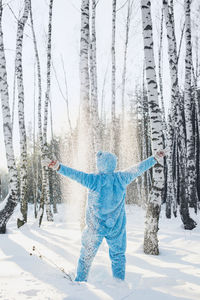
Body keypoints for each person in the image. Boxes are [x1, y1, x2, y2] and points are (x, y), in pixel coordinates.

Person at [44, 149, 165, 282]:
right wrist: (154, 158)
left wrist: (58, 167)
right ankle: (119, 284)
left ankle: (80, 283)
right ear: (113, 163)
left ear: (99, 164)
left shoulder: (93, 180)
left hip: (95, 228)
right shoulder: (121, 178)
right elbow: (138, 168)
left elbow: (75, 175)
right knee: (118, 256)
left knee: (86, 256)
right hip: (116, 227)